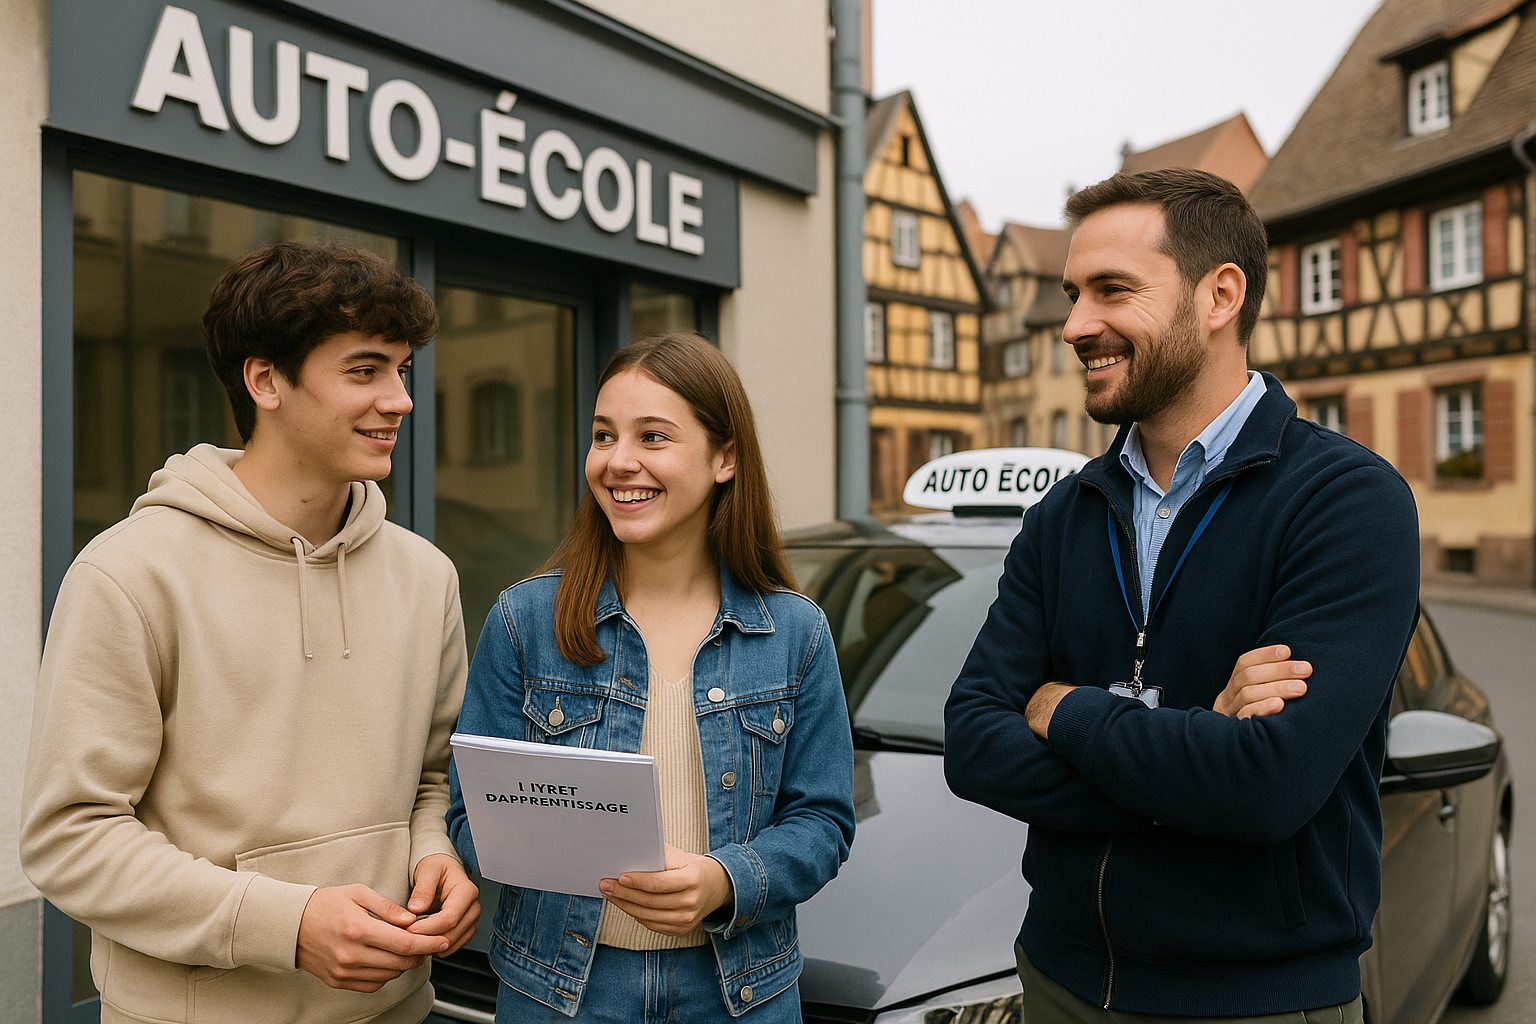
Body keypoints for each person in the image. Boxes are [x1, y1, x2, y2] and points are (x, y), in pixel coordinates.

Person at [944, 169, 1420, 1023]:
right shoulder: (1063, 514)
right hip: (1057, 982)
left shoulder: (1348, 501)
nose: (1075, 325)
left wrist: (1066, 712)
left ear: (1220, 295)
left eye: (1112, 291)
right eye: (1072, 295)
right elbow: (973, 742)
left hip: (1257, 1002)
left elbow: (1268, 787)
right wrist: (1196, 755)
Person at [21, 241, 479, 1024]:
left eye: (403, 370)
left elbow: (432, 779)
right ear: (265, 379)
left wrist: (437, 853)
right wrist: (285, 924)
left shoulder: (425, 575)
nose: (401, 399)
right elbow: (73, 836)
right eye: (365, 370)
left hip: (397, 1010)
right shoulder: (130, 574)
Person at [447, 332, 856, 1022]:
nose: (619, 462)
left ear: (725, 457)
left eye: (653, 437)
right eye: (604, 435)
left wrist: (725, 880)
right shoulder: (524, 621)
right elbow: (468, 815)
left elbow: (823, 822)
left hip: (739, 995)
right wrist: (543, 835)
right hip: (560, 992)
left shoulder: (795, 633)